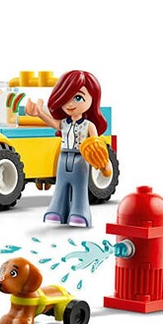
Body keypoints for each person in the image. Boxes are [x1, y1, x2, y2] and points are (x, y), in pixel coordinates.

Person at [25, 70, 111, 227]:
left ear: (92, 98)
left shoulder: (89, 125)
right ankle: (57, 210)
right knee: (61, 185)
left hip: (80, 159)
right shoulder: (65, 123)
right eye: (66, 98)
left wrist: (104, 164)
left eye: (77, 98)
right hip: (63, 157)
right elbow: (53, 123)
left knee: (79, 187)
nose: (70, 104)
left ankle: (80, 212)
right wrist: (39, 113)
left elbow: (96, 145)